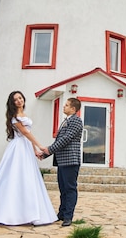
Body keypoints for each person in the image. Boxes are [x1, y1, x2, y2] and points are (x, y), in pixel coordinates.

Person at [0, 91, 57, 226]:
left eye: (20, 98)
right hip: (18, 149)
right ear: (12, 103)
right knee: (15, 176)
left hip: (26, 147)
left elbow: (29, 134)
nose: (19, 101)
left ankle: (31, 211)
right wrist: (40, 145)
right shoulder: (15, 118)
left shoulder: (24, 115)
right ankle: (10, 212)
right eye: (15, 99)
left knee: (28, 177)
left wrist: (34, 150)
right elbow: (25, 133)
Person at [40, 97, 83, 227]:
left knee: (70, 189)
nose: (64, 107)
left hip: (70, 161)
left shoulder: (76, 121)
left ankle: (68, 216)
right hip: (62, 161)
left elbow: (66, 139)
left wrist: (48, 150)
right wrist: (44, 154)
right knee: (63, 189)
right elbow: (58, 141)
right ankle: (62, 214)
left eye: (66, 105)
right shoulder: (65, 121)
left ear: (73, 109)